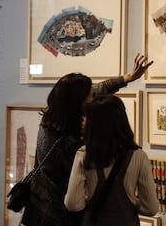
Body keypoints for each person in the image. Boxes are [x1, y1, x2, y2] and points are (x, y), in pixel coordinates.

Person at [20, 54, 153, 226]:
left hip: (39, 210)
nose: (93, 98)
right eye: (90, 96)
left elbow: (98, 89)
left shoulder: (52, 118)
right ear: (78, 102)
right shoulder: (69, 144)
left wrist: (127, 78)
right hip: (57, 217)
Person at [64, 94, 159, 226]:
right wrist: (131, 200)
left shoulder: (84, 154)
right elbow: (151, 208)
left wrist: (89, 200)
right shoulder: (139, 156)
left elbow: (73, 204)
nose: (83, 120)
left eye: (87, 117)